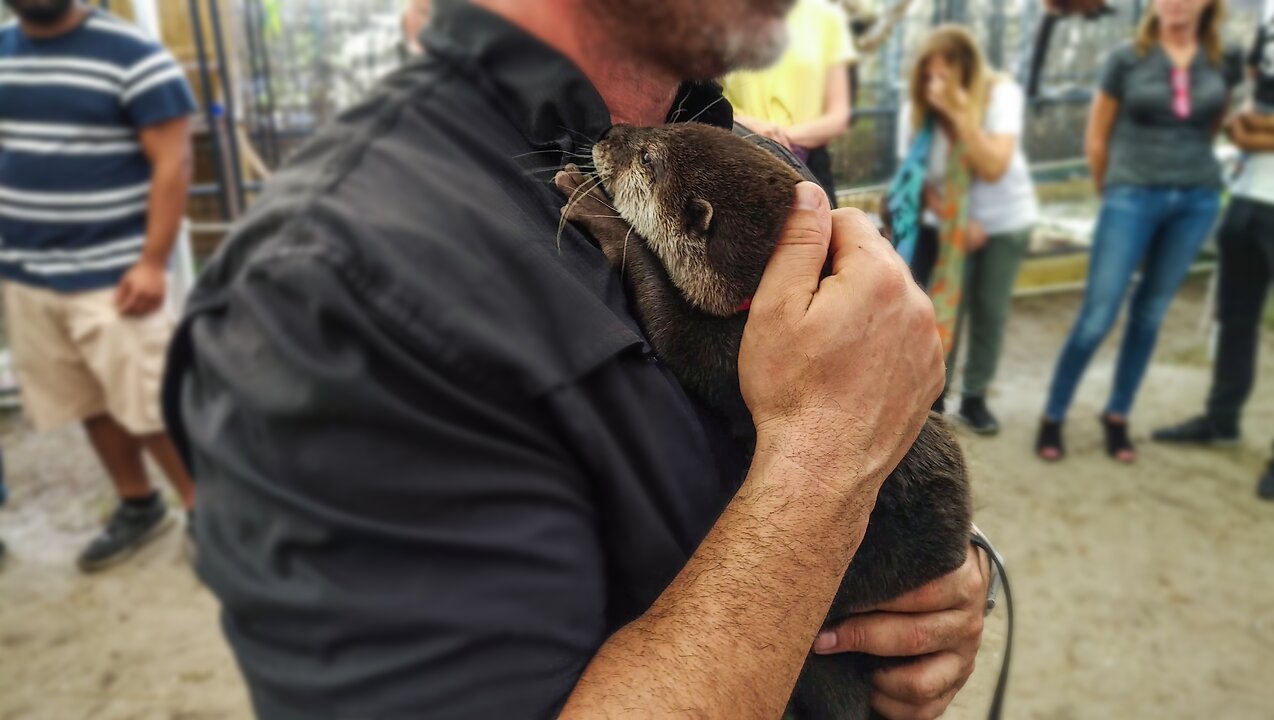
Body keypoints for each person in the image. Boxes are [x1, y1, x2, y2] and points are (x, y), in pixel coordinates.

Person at [162, 1, 996, 717]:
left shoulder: (752, 157)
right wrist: (823, 465)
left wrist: (943, 586)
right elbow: (835, 439)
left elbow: (884, 427)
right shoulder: (317, 295)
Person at [0, 0, 197, 570]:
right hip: (27, 271)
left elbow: (174, 162)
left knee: (155, 403)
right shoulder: (5, 52)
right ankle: (139, 504)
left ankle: (207, 510)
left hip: (113, 275)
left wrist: (153, 263)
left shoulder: (134, 56)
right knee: (86, 398)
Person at [1036, 0, 1239, 463]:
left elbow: (1211, 126)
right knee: (1098, 315)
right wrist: (1116, 189)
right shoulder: (1127, 58)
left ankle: (1118, 415)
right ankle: (1054, 414)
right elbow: (1097, 136)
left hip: (1196, 198)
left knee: (1149, 314)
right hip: (1131, 197)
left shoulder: (1221, 60)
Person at [1153, 11, 1274, 501]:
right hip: (1251, 192)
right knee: (1235, 318)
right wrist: (1246, 130)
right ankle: (1221, 418)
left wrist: (1258, 132)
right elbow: (1245, 106)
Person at [896, 26, 1039, 433]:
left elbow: (994, 165)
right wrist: (955, 219)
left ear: (969, 73)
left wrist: (962, 117)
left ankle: (975, 399)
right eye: (930, 76)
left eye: (948, 75)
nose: (937, 85)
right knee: (940, 313)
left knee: (990, 310)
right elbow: (919, 181)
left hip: (1004, 219)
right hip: (946, 224)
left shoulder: (1000, 97)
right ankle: (933, 404)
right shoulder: (916, 113)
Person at [722, 0, 857, 207]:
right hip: (736, 162)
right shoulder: (720, 15)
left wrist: (777, 140)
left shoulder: (827, 18)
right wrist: (748, 126)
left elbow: (839, 116)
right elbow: (704, 99)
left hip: (808, 165)